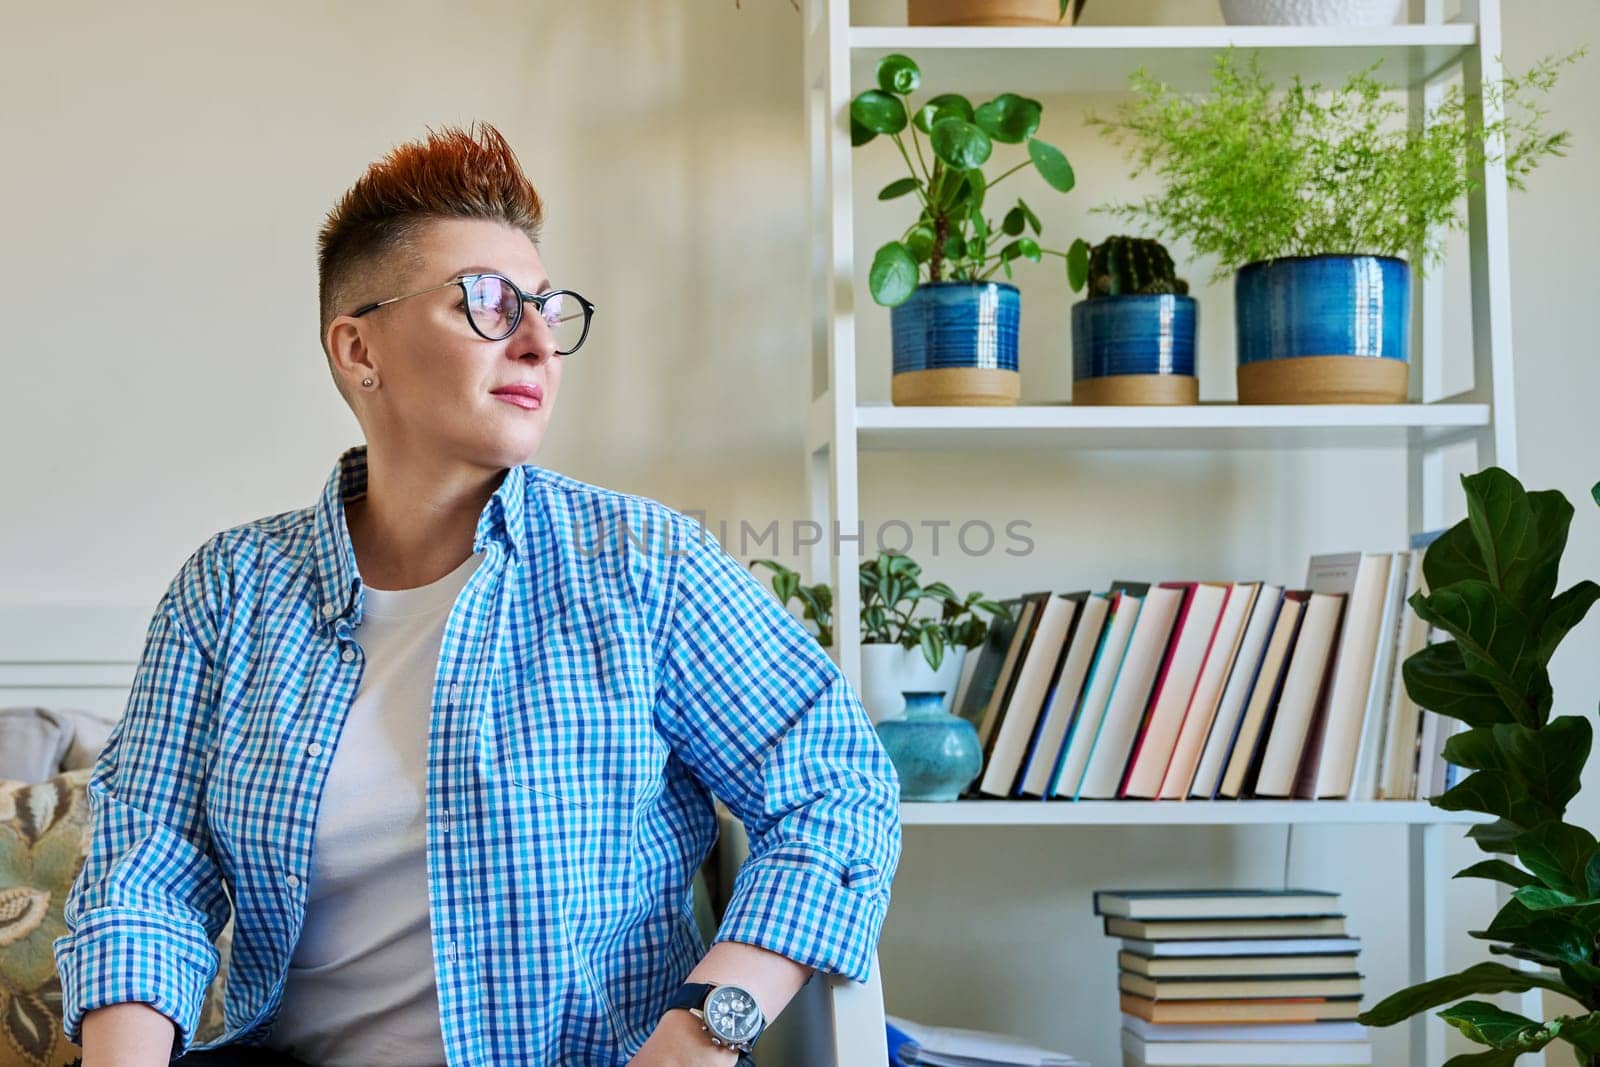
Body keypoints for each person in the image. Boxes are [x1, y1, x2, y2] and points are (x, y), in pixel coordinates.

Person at [53, 121, 903, 1067]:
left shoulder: (643, 563)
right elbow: (145, 871)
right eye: (490, 303)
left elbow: (836, 788)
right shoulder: (230, 590)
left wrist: (706, 1029)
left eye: (547, 305)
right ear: (357, 347)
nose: (540, 342)